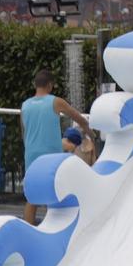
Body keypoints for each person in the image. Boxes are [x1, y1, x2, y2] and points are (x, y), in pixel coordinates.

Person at [22, 69, 89, 226]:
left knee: (31, 198)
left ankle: (29, 231)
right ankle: (50, 230)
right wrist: (90, 133)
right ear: (50, 85)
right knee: (53, 195)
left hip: (31, 155)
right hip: (50, 156)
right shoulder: (55, 101)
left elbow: (23, 133)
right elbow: (78, 117)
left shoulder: (25, 106)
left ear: (35, 84)